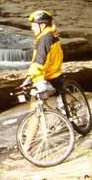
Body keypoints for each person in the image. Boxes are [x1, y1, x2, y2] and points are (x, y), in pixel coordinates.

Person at [20, 10, 65, 152]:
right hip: (56, 75)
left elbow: (39, 62)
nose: (31, 27)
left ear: (42, 25)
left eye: (34, 25)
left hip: (48, 79)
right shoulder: (51, 35)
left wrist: (28, 79)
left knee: (35, 106)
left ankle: (27, 144)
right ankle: (62, 112)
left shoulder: (45, 39)